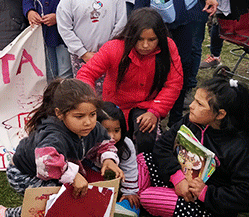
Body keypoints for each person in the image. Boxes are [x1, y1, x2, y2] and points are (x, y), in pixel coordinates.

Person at [0, 79, 122, 217]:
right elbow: (47, 163)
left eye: (92, 114)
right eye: (79, 116)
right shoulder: (54, 134)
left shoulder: (93, 128)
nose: (88, 122)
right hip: (24, 174)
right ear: (60, 114)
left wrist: (108, 159)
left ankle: (4, 215)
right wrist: (74, 175)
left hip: (55, 170)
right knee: (57, 196)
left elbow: (103, 144)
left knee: (59, 195)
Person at [138, 77, 249, 217]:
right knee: (143, 159)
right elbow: (162, 146)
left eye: (199, 104)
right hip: (180, 181)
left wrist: (206, 192)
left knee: (148, 198)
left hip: (207, 207)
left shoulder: (243, 149)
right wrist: (178, 179)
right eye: (194, 100)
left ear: (220, 114)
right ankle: (139, 199)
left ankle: (140, 198)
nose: (191, 106)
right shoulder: (192, 122)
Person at [77, 8, 183, 153]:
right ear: (131, 35)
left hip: (147, 105)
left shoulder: (168, 47)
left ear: (160, 38)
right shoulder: (113, 48)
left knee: (146, 135)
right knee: (110, 143)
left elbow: (174, 84)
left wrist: (155, 111)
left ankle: (144, 167)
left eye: (152, 40)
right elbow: (86, 74)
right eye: (140, 39)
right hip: (116, 106)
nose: (145, 45)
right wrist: (91, 102)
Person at [56, 0, 127, 83]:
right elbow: (65, 29)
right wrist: (83, 53)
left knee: (110, 91)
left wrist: (108, 49)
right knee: (87, 93)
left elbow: (121, 21)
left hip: (111, 55)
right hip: (82, 57)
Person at [100, 102, 140, 217]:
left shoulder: (126, 144)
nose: (112, 136)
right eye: (106, 131)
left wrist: (130, 192)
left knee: (133, 200)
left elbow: (130, 168)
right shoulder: (89, 141)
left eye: (116, 130)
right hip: (95, 174)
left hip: (121, 175)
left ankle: (126, 207)